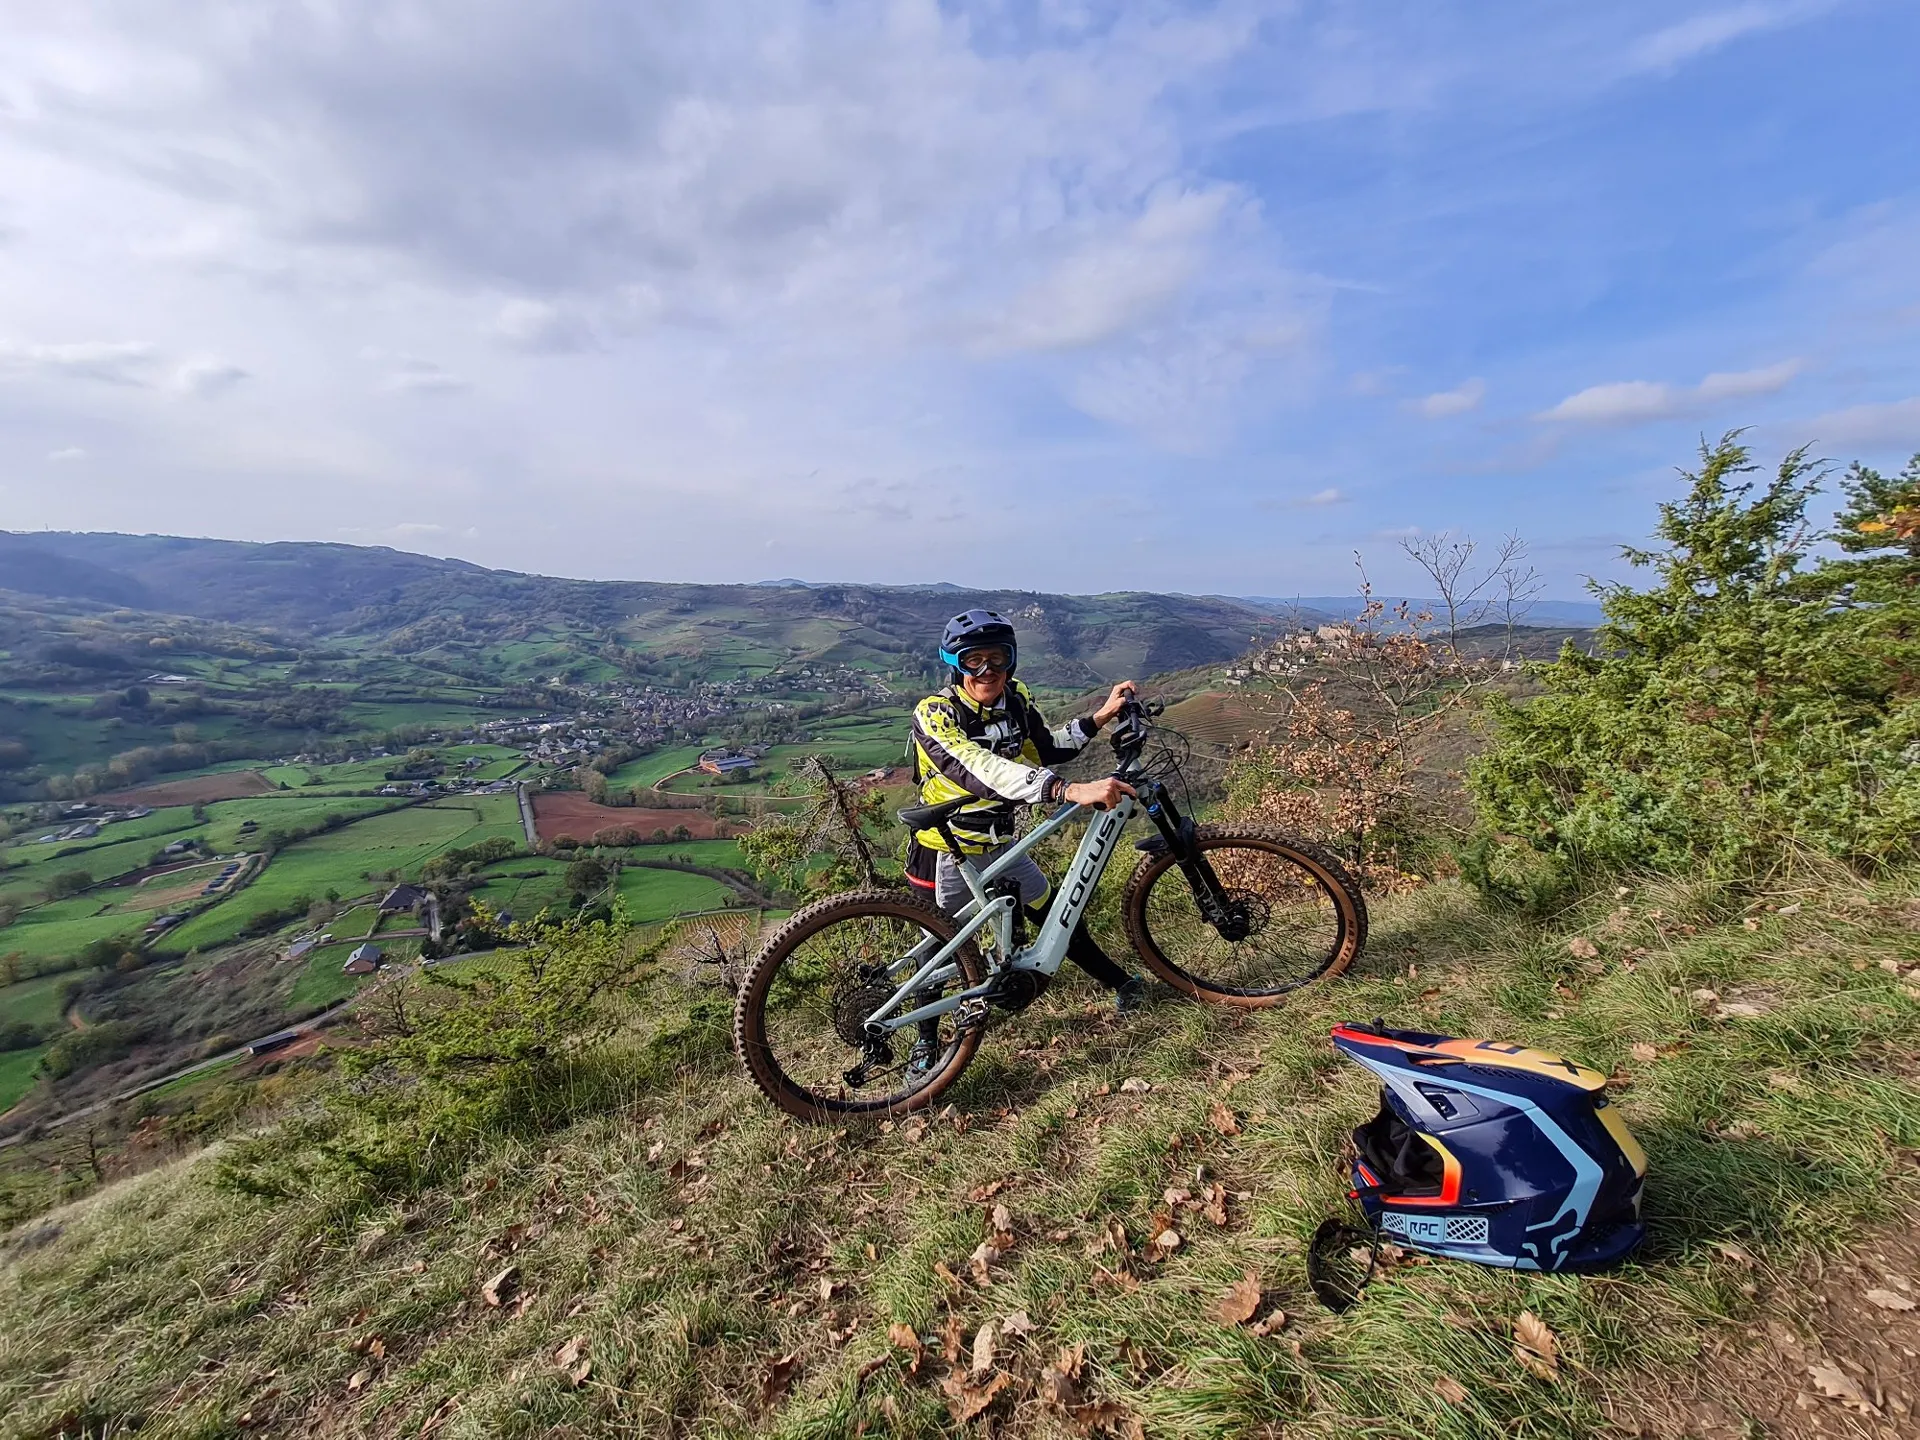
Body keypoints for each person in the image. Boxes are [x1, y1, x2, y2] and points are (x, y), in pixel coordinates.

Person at [905, 608, 1147, 1043]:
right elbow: (978, 768)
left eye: (997, 658)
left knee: (1057, 913)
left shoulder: (1015, 697)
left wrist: (1101, 716)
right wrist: (1066, 791)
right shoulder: (934, 713)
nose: (987, 671)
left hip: (1001, 845)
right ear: (955, 663)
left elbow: (1048, 746)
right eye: (973, 660)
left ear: (1011, 660)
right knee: (940, 953)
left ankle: (1122, 984)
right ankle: (925, 1044)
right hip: (945, 850)